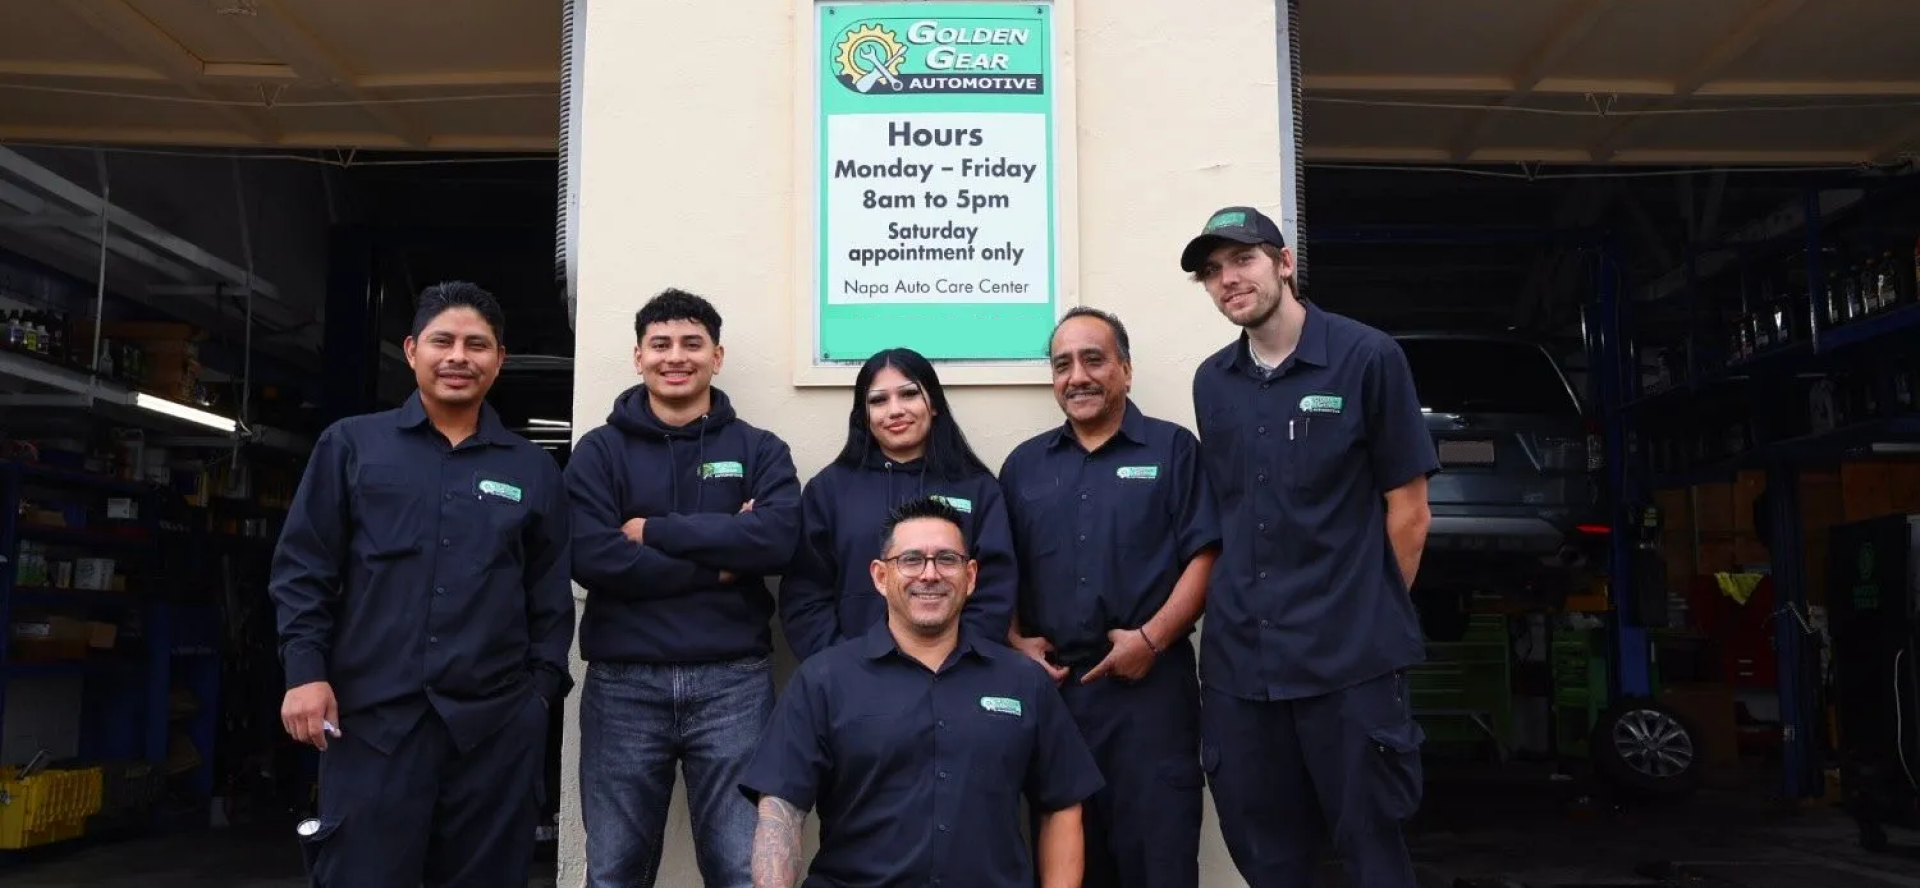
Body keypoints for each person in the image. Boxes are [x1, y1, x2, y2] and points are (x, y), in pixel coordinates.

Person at [270, 281, 573, 888]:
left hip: (492, 730)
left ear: (499, 360)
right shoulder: (353, 445)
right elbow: (305, 566)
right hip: (370, 724)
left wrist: (538, 696)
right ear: (412, 351)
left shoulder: (531, 468)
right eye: (443, 341)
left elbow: (548, 593)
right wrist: (305, 672)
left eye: (477, 344)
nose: (458, 357)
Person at [1180, 206, 1439, 888]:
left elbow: (1409, 512)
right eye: (1213, 271)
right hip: (1242, 668)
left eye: (1243, 259)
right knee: (1267, 858)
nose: (1228, 279)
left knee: (1373, 854)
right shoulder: (1214, 382)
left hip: (1347, 662)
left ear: (1284, 262)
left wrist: (1364, 614)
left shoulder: (1367, 357)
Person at [563, 288, 803, 888]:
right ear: (637, 356)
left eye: (692, 343)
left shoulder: (759, 449)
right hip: (624, 683)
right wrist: (724, 556)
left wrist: (652, 533)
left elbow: (775, 541)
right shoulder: (598, 451)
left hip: (734, 684)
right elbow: (593, 557)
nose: (677, 356)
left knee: (740, 869)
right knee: (616, 870)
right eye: (661, 344)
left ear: (717, 356)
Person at [741, 496, 1105, 888]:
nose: (929, 574)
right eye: (911, 560)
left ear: (971, 576)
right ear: (881, 577)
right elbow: (781, 809)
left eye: (946, 559)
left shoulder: (1023, 681)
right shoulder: (823, 680)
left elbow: (1062, 804)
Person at [999, 307, 1221, 888]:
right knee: (1069, 869)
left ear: (1125, 369)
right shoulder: (1023, 466)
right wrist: (1014, 641)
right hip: (1056, 698)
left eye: (1094, 359)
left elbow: (1207, 556)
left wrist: (1152, 639)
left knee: (1160, 863)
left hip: (1151, 696)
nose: (1077, 376)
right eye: (1062, 364)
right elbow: (999, 569)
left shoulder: (1174, 451)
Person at [779, 347, 1017, 663]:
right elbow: (805, 593)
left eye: (908, 395)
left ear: (933, 405)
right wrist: (840, 666)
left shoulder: (977, 488)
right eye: (879, 400)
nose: (895, 410)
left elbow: (994, 590)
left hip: (955, 676)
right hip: (852, 682)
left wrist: (955, 661)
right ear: (864, 414)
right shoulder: (829, 489)